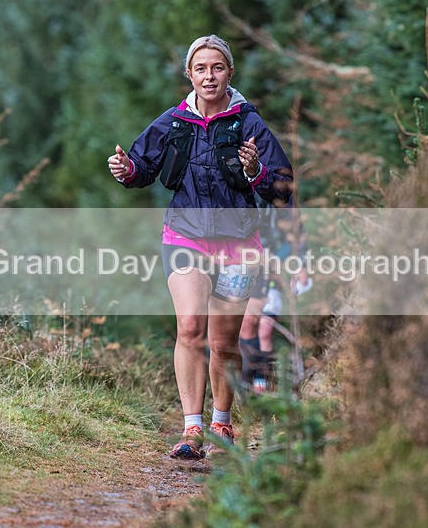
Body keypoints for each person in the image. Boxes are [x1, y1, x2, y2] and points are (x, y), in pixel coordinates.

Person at [107, 35, 293, 459]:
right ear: (189, 75)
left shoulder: (248, 123)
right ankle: (192, 431)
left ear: (230, 72)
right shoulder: (174, 122)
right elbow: (142, 168)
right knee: (191, 327)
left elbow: (282, 188)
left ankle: (221, 424)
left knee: (224, 343)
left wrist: (256, 170)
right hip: (184, 235)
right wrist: (125, 169)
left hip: (239, 242)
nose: (210, 76)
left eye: (218, 67)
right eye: (201, 68)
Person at [239, 195, 312, 394]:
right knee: (246, 324)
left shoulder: (276, 183)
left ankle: (262, 381)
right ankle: (245, 383)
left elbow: (296, 229)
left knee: (265, 328)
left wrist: (300, 265)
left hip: (273, 266)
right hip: (241, 261)